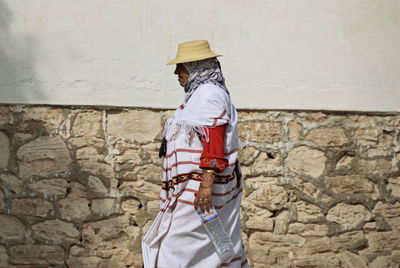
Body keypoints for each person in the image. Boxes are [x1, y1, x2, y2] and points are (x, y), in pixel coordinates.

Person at [142, 40, 249, 268]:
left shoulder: (209, 94)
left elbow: (214, 138)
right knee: (195, 246)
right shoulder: (198, 96)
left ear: (195, 67)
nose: (176, 72)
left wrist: (206, 185)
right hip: (190, 190)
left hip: (199, 191)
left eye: (181, 66)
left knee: (177, 245)